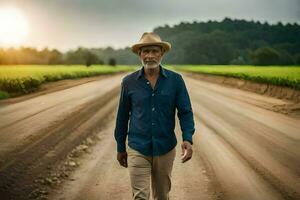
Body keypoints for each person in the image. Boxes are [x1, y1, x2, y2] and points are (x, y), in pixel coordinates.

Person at [114, 32, 195, 200]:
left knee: (162, 196)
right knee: (140, 197)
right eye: (145, 51)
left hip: (164, 147)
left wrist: (187, 138)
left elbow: (185, 111)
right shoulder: (129, 82)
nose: (150, 56)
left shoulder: (175, 80)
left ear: (162, 53)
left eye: (154, 51)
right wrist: (120, 147)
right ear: (139, 54)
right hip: (137, 147)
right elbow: (122, 116)